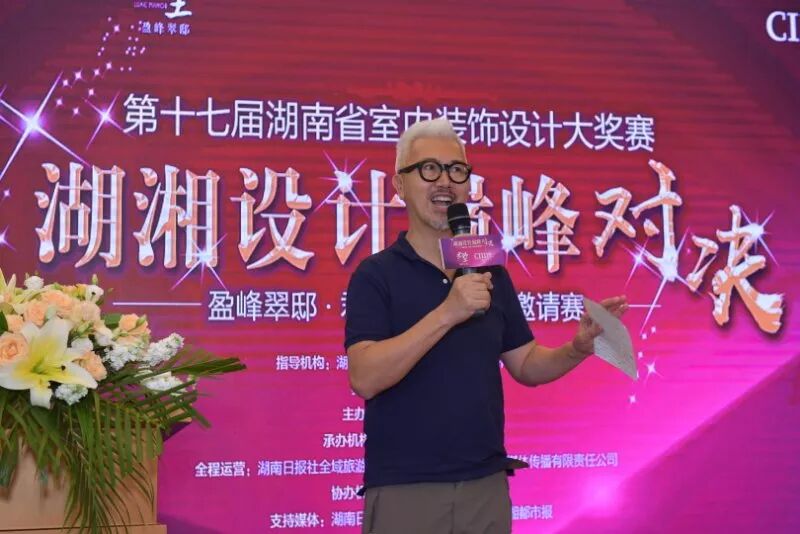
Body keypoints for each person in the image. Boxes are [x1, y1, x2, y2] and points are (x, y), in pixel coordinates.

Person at [344, 117, 628, 534]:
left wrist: (577, 348)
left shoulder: (488, 270)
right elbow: (365, 377)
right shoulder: (376, 275)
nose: (445, 181)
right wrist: (447, 312)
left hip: (486, 486)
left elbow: (525, 364)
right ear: (400, 185)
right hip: (407, 489)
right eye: (429, 169)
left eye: (456, 170)